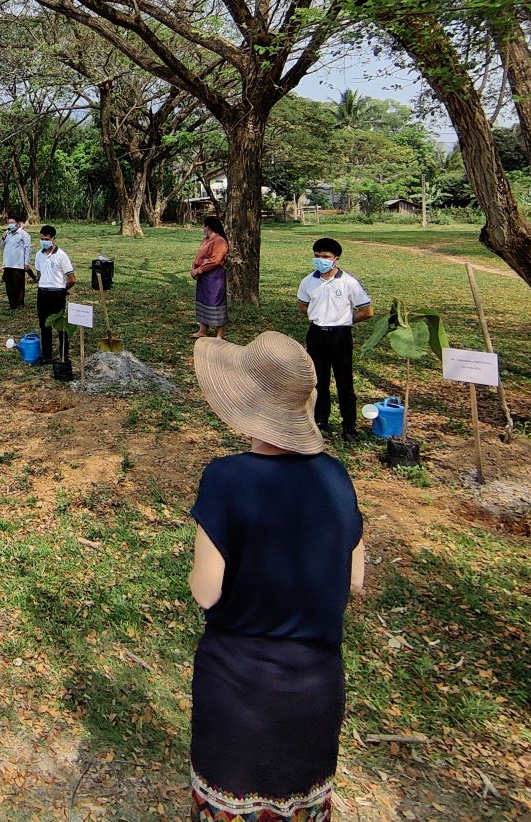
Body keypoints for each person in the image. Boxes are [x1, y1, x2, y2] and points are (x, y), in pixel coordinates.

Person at [188, 331, 365, 820]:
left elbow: (207, 591)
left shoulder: (226, 478)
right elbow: (355, 579)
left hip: (237, 682)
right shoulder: (336, 477)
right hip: (315, 686)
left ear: (245, 402)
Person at [295, 237, 373, 439]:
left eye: (325, 257)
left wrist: (345, 320)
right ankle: (320, 420)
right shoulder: (308, 281)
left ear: (335, 259)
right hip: (316, 334)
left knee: (344, 383)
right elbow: (302, 306)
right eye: (317, 256)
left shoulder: (349, 282)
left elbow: (367, 311)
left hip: (340, 336)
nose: (320, 260)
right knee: (318, 381)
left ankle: (349, 427)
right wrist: (320, 318)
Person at [25, 225, 75, 365]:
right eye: (41, 239)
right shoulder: (39, 255)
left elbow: (72, 279)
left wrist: (63, 290)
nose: (43, 241)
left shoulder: (61, 256)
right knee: (44, 326)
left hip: (57, 294)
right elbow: (39, 275)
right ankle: (46, 356)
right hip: (42, 294)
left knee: (61, 327)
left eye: (46, 239)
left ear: (53, 239)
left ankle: (64, 355)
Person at [191, 216, 230, 339]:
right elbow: (199, 256)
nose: (203, 228)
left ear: (209, 227)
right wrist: (194, 269)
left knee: (215, 301)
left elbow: (215, 261)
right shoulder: (206, 240)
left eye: (204, 226)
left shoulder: (219, 241)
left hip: (214, 276)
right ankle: (202, 330)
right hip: (203, 276)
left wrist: (199, 270)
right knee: (203, 300)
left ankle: (219, 334)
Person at [0, 214, 30, 311]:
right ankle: (12, 304)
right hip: (7, 263)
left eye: (12, 223)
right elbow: (1, 247)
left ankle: (20, 303)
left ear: (18, 223)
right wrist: (2, 238)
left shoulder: (23, 234)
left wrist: (26, 263)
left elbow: (27, 249)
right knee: (9, 285)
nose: (10, 225)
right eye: (9, 223)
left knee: (18, 285)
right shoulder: (7, 234)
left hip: (18, 264)